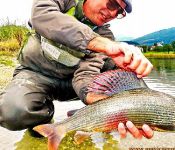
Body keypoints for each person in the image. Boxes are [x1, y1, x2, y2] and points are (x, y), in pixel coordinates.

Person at [0, 0, 153, 139]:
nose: (113, 13)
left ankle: (100, 126)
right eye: (113, 4)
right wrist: (100, 44)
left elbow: (87, 73)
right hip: (35, 74)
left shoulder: (105, 34)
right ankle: (42, 118)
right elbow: (42, 14)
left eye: (120, 12)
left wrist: (103, 102)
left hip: (72, 84)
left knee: (117, 65)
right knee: (12, 112)